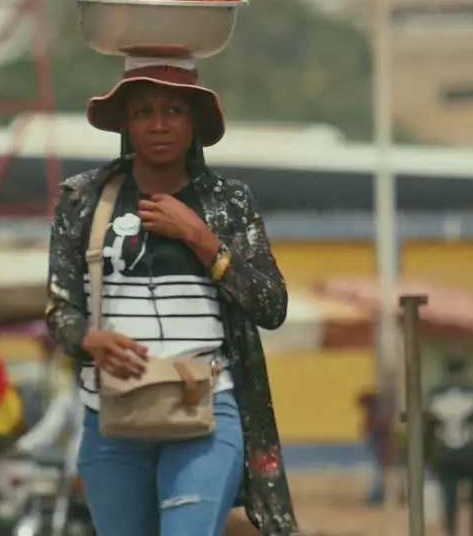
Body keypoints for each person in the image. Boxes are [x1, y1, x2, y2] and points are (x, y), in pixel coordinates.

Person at [44, 59, 300, 536]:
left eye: (174, 110)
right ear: (125, 123)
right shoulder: (82, 200)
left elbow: (272, 306)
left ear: (195, 122)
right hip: (112, 418)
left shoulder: (228, 202)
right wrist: (90, 340)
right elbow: (59, 308)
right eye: (143, 112)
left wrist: (202, 239)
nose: (158, 124)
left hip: (205, 412)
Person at [426, 356, 473, 536]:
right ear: (465, 373)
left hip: (446, 453)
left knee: (449, 498)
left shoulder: (435, 397)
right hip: (471, 452)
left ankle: (451, 531)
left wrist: (428, 455)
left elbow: (429, 430)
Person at [357, 389, 392, 505]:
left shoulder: (376, 416)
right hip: (376, 445)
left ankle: (376, 497)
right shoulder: (373, 415)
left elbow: (377, 432)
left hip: (378, 446)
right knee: (376, 472)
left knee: (376, 472)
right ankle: (376, 496)